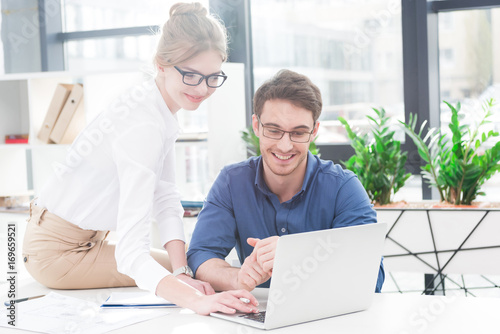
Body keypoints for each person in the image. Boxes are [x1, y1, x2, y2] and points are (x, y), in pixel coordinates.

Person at [22, 2, 259, 316]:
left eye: (213, 77)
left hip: (84, 241)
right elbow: (130, 254)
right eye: (191, 75)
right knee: (202, 280)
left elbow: (165, 196)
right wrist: (196, 300)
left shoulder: (159, 110)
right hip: (57, 252)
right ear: (161, 63)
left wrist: (181, 272)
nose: (202, 88)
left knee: (195, 273)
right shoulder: (143, 123)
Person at [187, 69, 385, 293]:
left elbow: (371, 277)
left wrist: (298, 255)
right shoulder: (232, 182)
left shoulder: (343, 187)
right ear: (256, 126)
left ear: (314, 131)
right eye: (273, 130)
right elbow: (201, 256)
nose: (284, 145)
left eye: (298, 133)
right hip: (258, 320)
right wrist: (238, 279)